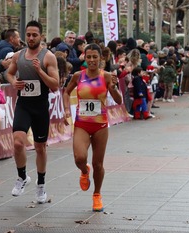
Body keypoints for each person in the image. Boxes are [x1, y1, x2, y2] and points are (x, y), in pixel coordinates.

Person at [62, 43, 122, 212]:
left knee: (98, 164)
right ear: (85, 58)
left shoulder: (107, 76)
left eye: (95, 57)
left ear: (100, 58)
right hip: (82, 123)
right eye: (89, 57)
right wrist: (66, 109)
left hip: (100, 125)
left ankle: (97, 194)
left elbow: (118, 100)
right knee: (79, 158)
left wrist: (113, 88)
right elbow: (66, 92)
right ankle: (83, 170)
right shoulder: (78, 76)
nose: (92, 60)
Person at [6, 20, 59, 204]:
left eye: (34, 35)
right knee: (18, 143)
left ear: (41, 36)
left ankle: (41, 185)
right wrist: (13, 82)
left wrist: (39, 71)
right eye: (28, 34)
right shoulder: (18, 56)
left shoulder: (48, 57)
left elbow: (55, 85)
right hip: (24, 105)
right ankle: (22, 177)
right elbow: (9, 73)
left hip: (40, 106)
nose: (30, 38)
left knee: (40, 148)